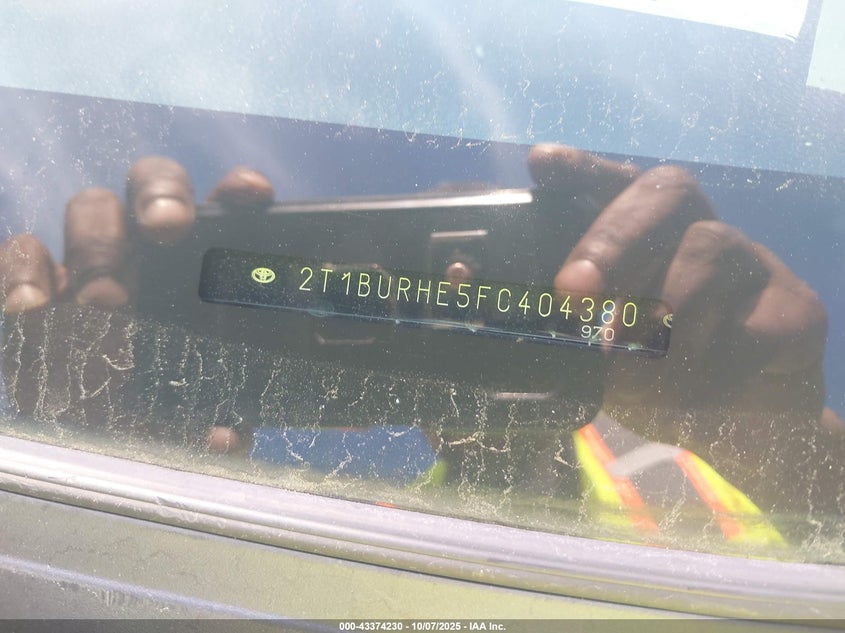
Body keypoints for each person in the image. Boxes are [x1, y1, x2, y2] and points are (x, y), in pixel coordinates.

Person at [1, 144, 842, 524]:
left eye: (499, 283)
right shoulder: (361, 534)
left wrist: (796, 453)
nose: (450, 304)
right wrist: (85, 477)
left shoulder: (698, 461)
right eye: (409, 299)